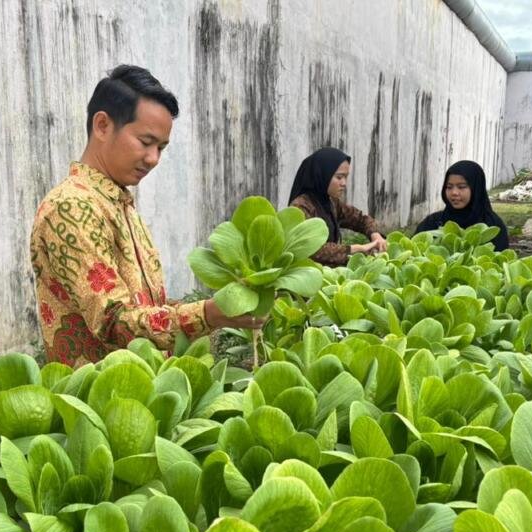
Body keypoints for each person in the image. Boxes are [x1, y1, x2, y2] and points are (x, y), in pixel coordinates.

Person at [30, 65, 263, 367]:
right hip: (97, 404)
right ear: (102, 125)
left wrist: (221, 309)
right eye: (145, 142)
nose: (153, 159)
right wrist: (208, 314)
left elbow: (146, 308)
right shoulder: (71, 207)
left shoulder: (118, 202)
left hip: (140, 393)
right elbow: (114, 321)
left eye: (161, 148)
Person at [288, 148, 387, 266]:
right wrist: (351, 250)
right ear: (322, 175)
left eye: (346, 177)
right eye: (339, 177)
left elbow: (359, 219)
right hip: (308, 274)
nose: (344, 183)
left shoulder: (330, 202)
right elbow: (310, 249)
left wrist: (374, 234)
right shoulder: (300, 207)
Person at [415, 160, 510, 251]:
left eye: (461, 187)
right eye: (449, 187)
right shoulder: (432, 223)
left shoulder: (492, 226)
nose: (454, 192)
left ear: (476, 189)